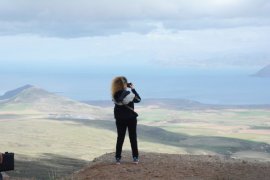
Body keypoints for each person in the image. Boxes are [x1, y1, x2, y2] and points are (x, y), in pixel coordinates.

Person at [111, 76, 141, 165]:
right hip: (130, 118)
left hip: (119, 118)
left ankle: (118, 158)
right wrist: (133, 89)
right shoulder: (129, 94)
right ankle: (135, 158)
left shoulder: (114, 95)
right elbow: (138, 99)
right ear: (124, 84)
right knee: (133, 137)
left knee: (120, 137)